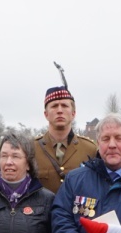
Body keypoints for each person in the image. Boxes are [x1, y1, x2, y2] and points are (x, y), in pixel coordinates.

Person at [32, 63, 97, 194]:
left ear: (73, 113)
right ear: (46, 114)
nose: (60, 110)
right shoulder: (31, 149)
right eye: (54, 106)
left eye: (65, 106)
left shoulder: (90, 149)